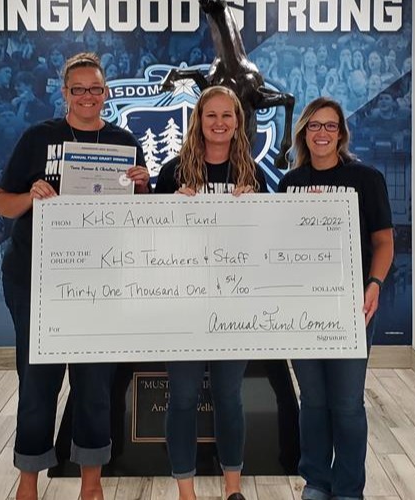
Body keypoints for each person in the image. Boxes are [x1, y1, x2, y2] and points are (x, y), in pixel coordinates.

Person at [0, 52, 150, 500]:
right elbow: (1, 203)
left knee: (95, 385)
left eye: (95, 89)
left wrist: (142, 188)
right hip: (35, 282)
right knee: (38, 383)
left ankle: (91, 484)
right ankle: (28, 482)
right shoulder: (36, 138)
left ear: (106, 94)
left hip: (99, 284)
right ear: (64, 93)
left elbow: (139, 221)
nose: (87, 97)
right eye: (77, 88)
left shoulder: (123, 143)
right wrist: (31, 196)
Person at [278, 97, 394, 500]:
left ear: (341, 134)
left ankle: (347, 488)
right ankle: (316, 481)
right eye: (314, 126)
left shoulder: (366, 178)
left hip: (353, 306)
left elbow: (383, 242)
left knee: (346, 402)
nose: (322, 133)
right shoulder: (289, 185)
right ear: (303, 133)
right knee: (311, 400)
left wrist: (374, 284)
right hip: (302, 308)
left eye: (330, 126)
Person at [155, 85, 267, 500]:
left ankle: (232, 488)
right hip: (182, 305)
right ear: (198, 122)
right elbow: (151, 243)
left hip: (232, 304)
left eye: (227, 115)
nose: (219, 123)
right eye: (210, 115)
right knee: (182, 397)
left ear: (238, 121)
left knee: (228, 397)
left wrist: (255, 209)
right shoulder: (172, 173)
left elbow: (266, 242)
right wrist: (172, 208)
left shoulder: (252, 175)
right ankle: (186, 491)